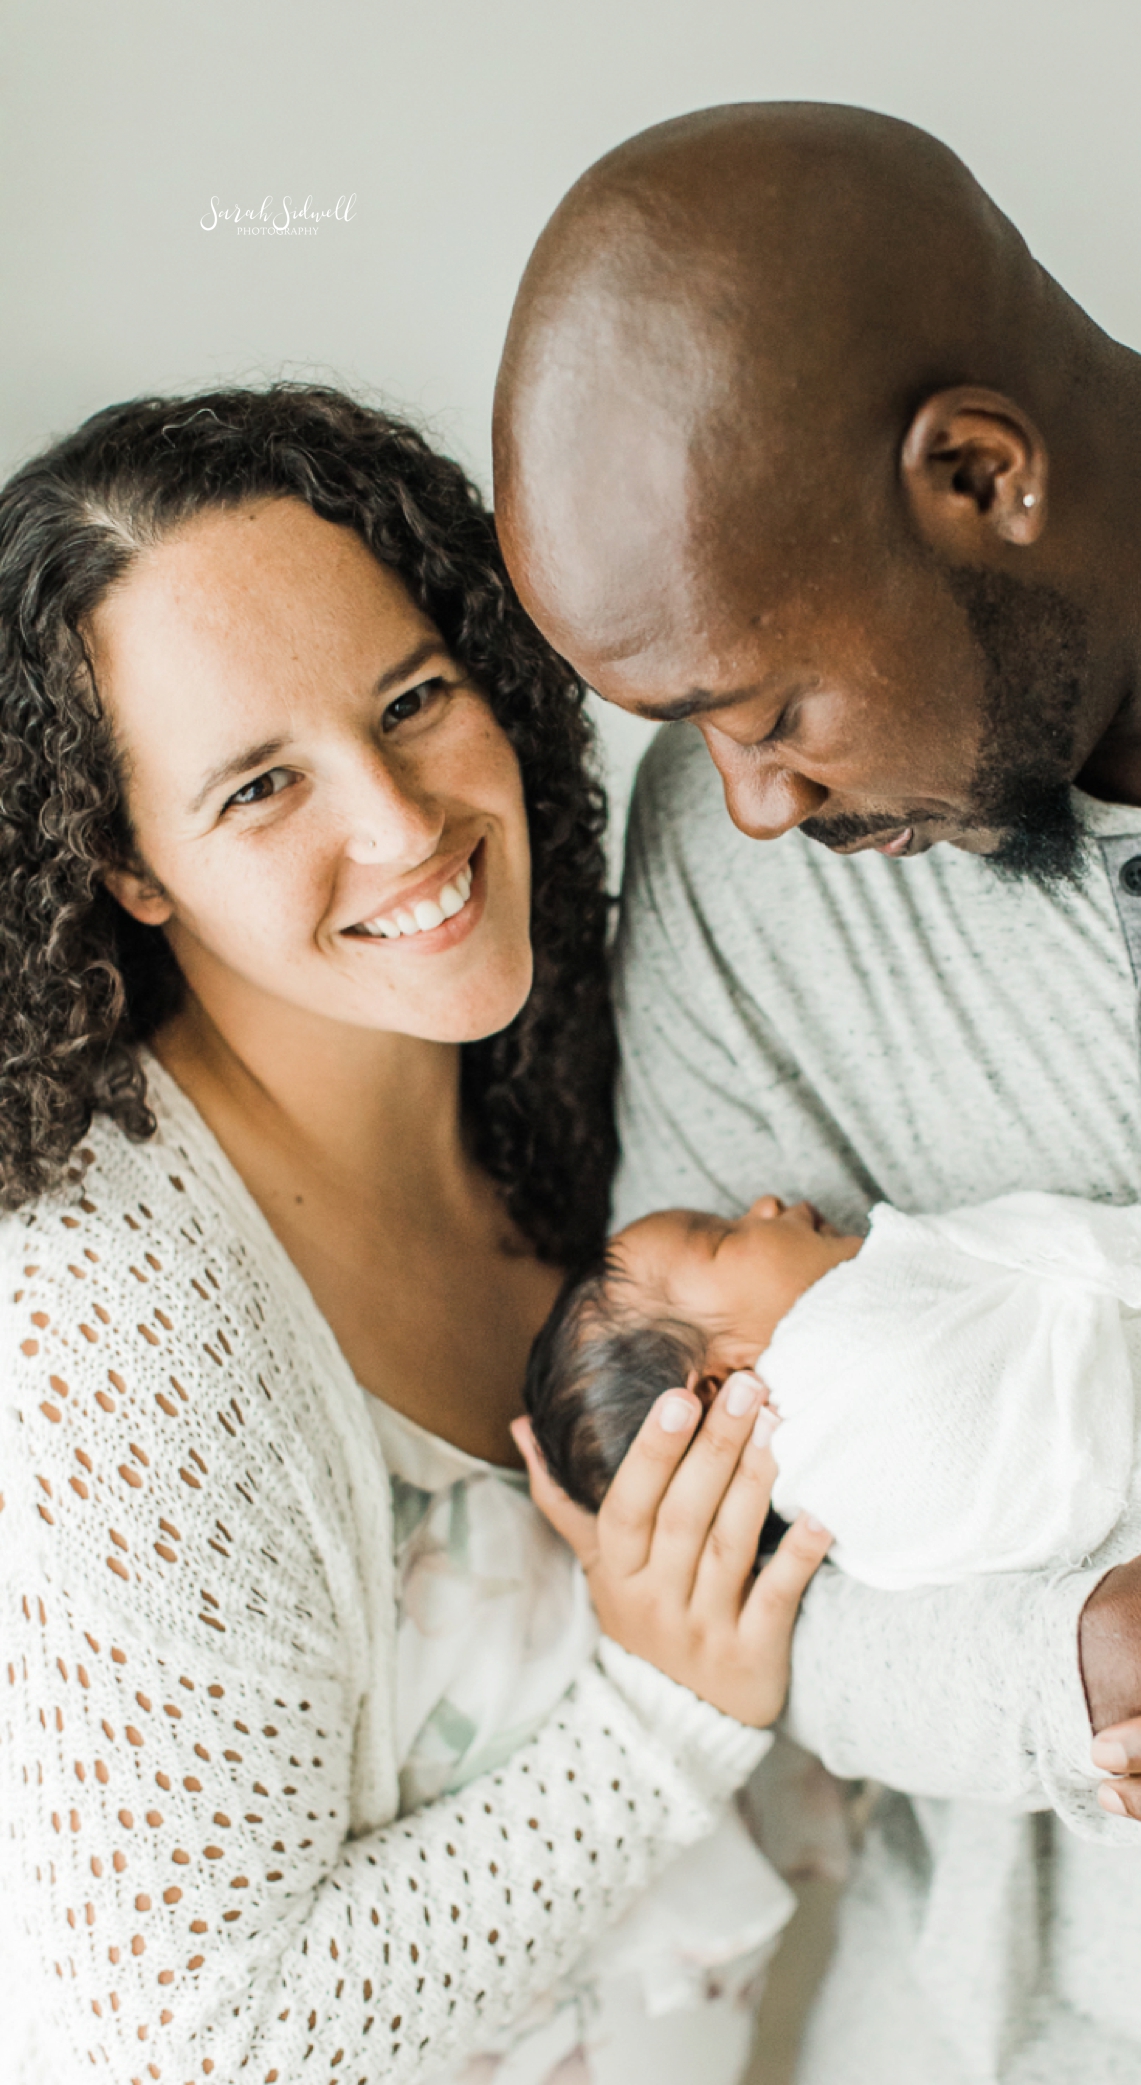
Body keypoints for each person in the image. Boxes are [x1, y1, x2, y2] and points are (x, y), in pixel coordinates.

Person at [493, 102, 1141, 2081]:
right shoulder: (757, 879)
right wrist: (1076, 1678)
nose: (747, 804)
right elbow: (708, 1566)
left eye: (765, 707)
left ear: (979, 473)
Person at [0, 385, 831, 2085]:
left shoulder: (587, 1085)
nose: (399, 824)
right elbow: (187, 2045)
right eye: (257, 786)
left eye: (412, 698)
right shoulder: (94, 1330)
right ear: (127, 868)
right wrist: (657, 1720)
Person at [527, 1187, 1141, 1597]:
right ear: (720, 1389)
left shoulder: (847, 1544)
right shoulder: (848, 1387)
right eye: (720, 1235)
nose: (763, 1201)